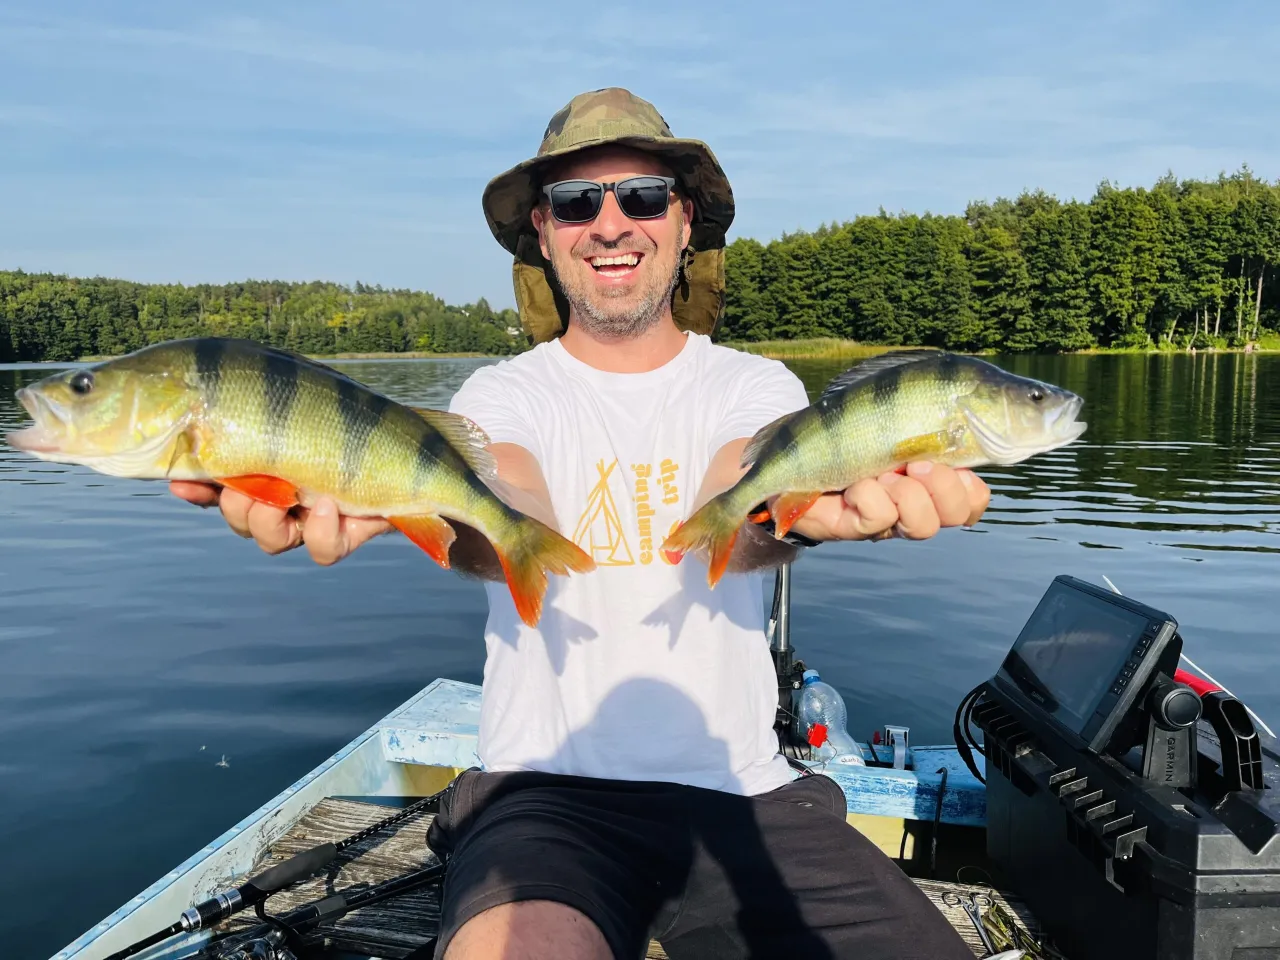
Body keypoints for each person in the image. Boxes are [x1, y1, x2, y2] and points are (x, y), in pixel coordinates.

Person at [171, 88, 988, 960]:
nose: (609, 223)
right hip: (542, 798)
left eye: (642, 196)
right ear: (543, 230)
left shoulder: (757, 387)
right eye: (575, 201)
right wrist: (396, 505)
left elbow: (741, 482)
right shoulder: (503, 394)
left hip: (750, 795)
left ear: (684, 224)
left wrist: (809, 517)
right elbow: (507, 494)